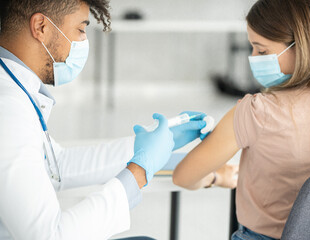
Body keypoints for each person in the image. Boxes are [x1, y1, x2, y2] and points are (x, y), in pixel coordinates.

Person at [0, 0, 223, 239]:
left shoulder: (14, 91)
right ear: (41, 27)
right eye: (81, 29)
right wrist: (139, 171)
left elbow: (58, 166)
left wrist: (146, 145)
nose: (83, 42)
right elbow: (49, 236)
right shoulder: (9, 110)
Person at [172, 0, 310, 239]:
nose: (253, 58)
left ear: (301, 47)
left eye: (262, 51)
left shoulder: (256, 111)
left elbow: (184, 177)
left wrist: (216, 177)